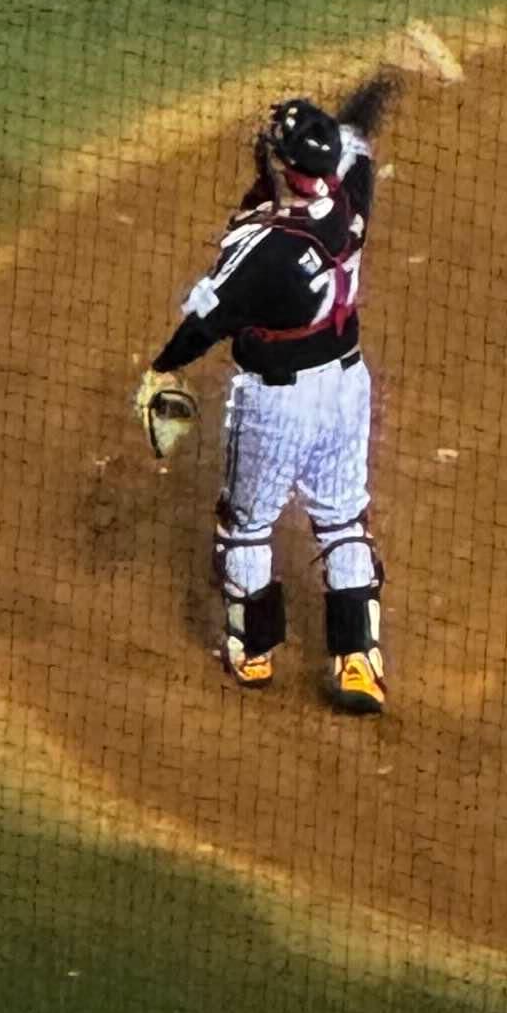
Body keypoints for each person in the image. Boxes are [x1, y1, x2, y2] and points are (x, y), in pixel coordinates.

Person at [133, 80, 396, 710]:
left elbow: (206, 321)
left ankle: (252, 651)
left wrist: (163, 369)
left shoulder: (267, 248)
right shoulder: (351, 193)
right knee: (342, 518)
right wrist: (378, 88)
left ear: (284, 165)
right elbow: (354, 135)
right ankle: (359, 660)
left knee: (246, 524)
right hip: (347, 388)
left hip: (278, 404)